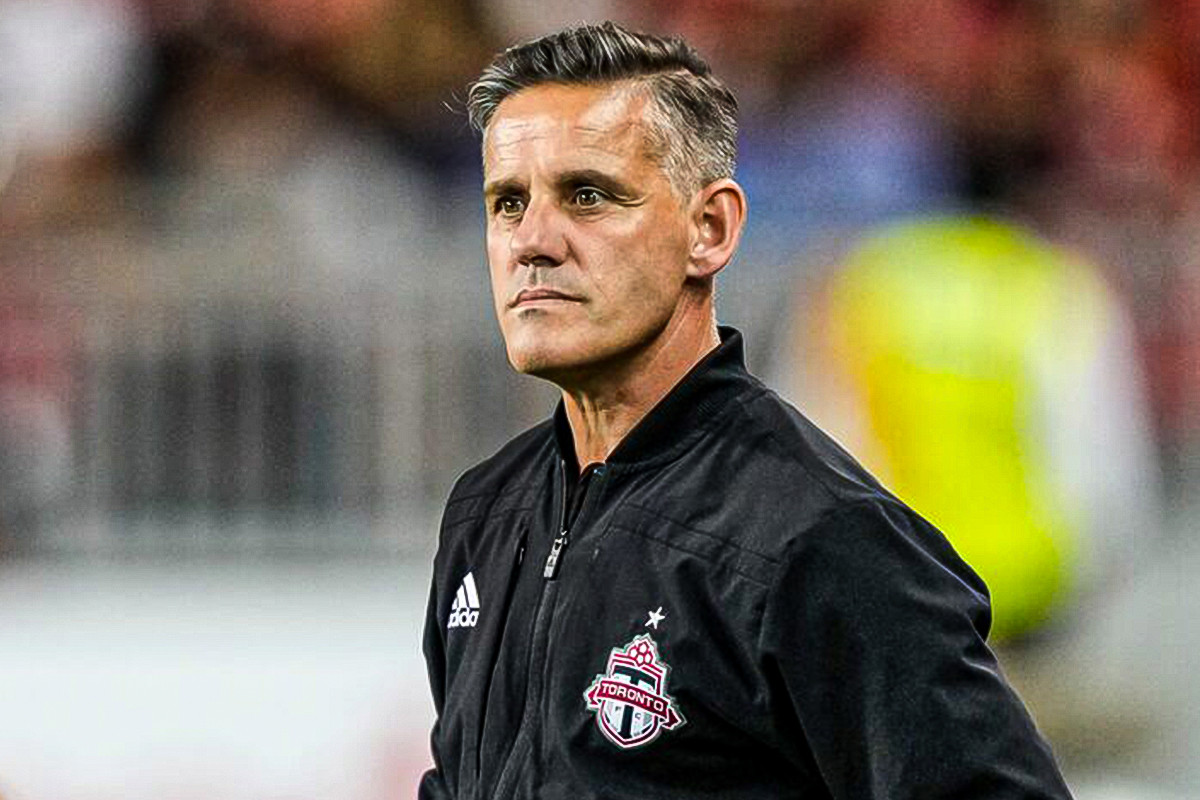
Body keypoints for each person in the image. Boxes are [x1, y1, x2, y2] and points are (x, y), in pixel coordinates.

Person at [420, 21, 1073, 800]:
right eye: (508, 203)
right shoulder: (487, 514)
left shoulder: (820, 540)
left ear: (711, 229)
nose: (532, 241)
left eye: (588, 196)